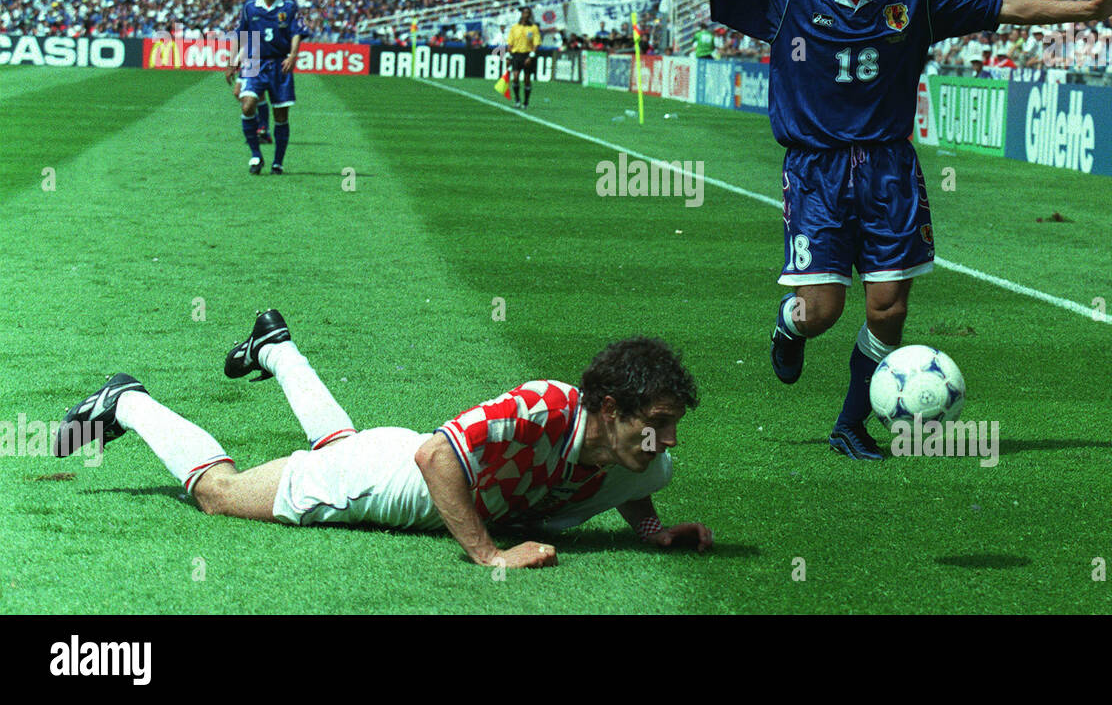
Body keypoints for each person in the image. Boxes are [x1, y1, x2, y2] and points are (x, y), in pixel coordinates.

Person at [551, 0, 1112, 460]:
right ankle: (789, 324)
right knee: (822, 311)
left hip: (889, 169)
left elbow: (1004, 6)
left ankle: (850, 425)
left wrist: (1086, 12)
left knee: (890, 308)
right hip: (815, 172)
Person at [53, 311, 712, 568]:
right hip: (393, 482)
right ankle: (128, 402)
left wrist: (653, 533)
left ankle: (275, 349)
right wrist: (488, 555)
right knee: (220, 495)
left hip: (391, 457)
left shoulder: (647, 460)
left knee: (343, 441)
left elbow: (635, 487)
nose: (668, 440)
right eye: (656, 423)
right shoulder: (543, 408)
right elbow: (433, 457)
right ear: (606, 407)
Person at [225, 0, 309, 174]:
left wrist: (292, 55)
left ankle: (278, 162)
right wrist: (232, 60)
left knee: (281, 116)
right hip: (254, 62)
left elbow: (297, 32)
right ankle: (255, 156)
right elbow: (240, 33)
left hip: (279, 63)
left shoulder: (289, 6)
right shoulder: (250, 7)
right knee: (247, 106)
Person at [228, 0, 271, 145]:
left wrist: (236, 59)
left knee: (252, 94)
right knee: (241, 93)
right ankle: (261, 127)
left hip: (257, 56)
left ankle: (262, 129)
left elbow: (251, 36)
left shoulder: (255, 8)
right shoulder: (248, 8)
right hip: (250, 55)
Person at [507, 5, 541, 108]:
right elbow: (510, 43)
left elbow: (536, 44)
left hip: (527, 55)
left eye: (528, 13)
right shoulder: (514, 27)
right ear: (521, 14)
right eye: (524, 13)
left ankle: (526, 102)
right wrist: (508, 56)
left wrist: (531, 57)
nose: (526, 15)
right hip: (516, 55)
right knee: (515, 77)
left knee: (527, 79)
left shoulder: (533, 28)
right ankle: (517, 99)